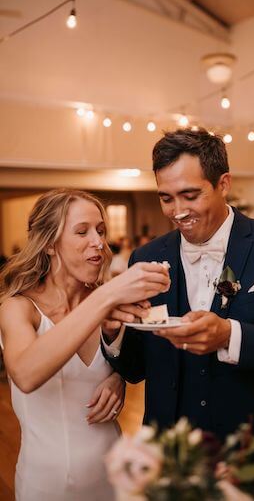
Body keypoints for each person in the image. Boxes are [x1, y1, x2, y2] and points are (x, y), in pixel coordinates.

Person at [102, 129, 254, 501]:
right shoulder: (144, 259)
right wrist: (113, 331)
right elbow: (136, 368)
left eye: (190, 195)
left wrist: (230, 336)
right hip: (171, 461)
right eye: (166, 197)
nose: (177, 210)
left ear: (223, 183)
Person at [0, 188, 170, 501]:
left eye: (101, 231)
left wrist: (119, 376)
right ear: (50, 243)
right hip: (47, 485)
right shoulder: (18, 307)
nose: (99, 243)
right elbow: (25, 373)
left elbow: (137, 363)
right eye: (82, 231)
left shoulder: (113, 305)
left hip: (115, 477)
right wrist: (107, 297)